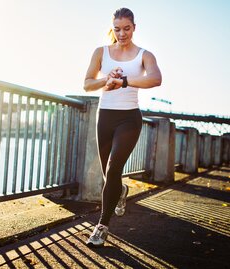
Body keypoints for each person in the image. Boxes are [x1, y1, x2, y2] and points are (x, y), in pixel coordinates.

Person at [83, 7, 162, 247]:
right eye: (117, 29)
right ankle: (121, 190)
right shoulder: (101, 52)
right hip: (105, 116)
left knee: (113, 166)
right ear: (112, 28)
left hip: (129, 119)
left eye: (126, 28)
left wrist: (124, 80)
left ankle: (101, 227)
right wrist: (107, 80)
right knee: (111, 176)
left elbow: (156, 78)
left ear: (134, 28)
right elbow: (87, 85)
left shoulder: (144, 55)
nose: (122, 33)